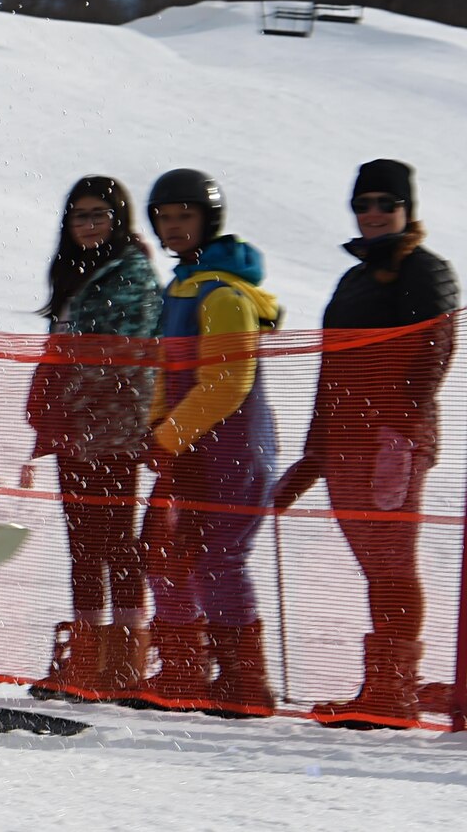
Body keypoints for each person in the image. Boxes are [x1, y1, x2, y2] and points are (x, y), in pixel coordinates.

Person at [273, 160, 459, 727]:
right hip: (345, 442)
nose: (374, 213)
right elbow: (331, 372)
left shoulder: (427, 271)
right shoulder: (353, 278)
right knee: (376, 565)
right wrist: (312, 457)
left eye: (386, 203)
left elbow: (434, 356)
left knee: (391, 562)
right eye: (364, 203)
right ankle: (382, 686)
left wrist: (399, 439)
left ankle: (392, 690)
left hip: (389, 442)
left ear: (408, 209)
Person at [142, 168, 282, 717]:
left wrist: (171, 435)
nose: (174, 228)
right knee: (165, 555)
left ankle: (244, 683)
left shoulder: (225, 295)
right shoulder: (180, 287)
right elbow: (164, 369)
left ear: (209, 221)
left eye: (185, 217)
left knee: (217, 561)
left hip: (231, 447)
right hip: (187, 445)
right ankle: (183, 671)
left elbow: (228, 381)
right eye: (165, 217)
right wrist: (160, 431)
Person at [22, 177, 161, 701]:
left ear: (117, 218)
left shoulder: (132, 273)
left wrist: (70, 383)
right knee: (83, 546)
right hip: (75, 428)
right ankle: (87, 660)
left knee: (116, 544)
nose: (88, 225)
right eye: (79, 216)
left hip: (115, 429)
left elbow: (124, 355)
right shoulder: (75, 273)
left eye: (98, 215)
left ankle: (123, 662)